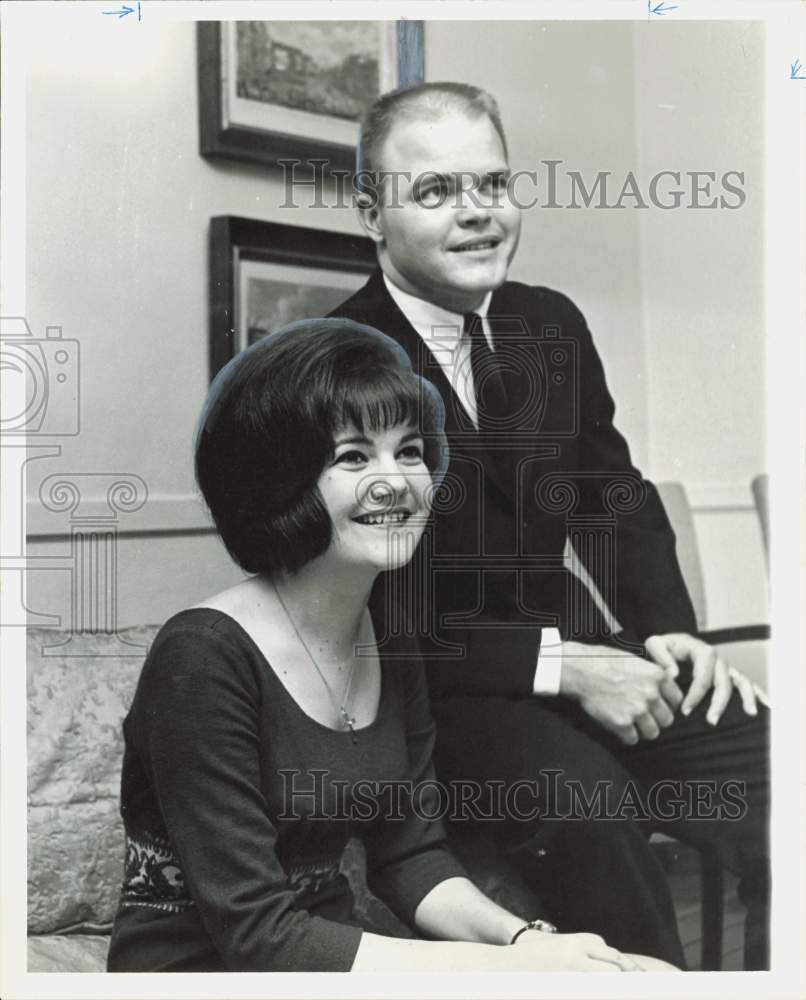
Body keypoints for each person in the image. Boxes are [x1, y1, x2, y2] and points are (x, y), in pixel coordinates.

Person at [329, 82, 770, 969]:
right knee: (589, 804)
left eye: (493, 185)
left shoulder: (548, 322)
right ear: (373, 213)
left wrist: (668, 631)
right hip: (443, 702)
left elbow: (614, 493)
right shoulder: (336, 359)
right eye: (437, 192)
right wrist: (566, 668)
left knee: (773, 761)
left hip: (598, 656)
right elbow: (369, 613)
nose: (478, 215)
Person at [106, 318, 673, 973]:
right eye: (353, 456)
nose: (397, 480)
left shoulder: (396, 645)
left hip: (333, 958)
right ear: (280, 482)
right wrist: (513, 973)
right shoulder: (202, 658)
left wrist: (531, 942)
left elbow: (412, 857)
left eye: (410, 451)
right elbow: (261, 936)